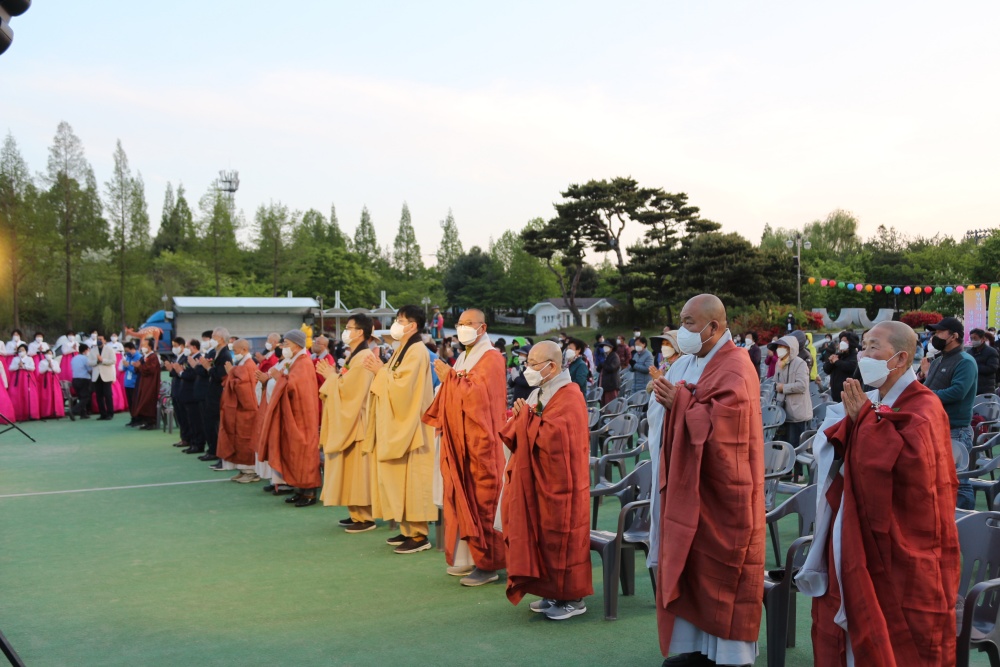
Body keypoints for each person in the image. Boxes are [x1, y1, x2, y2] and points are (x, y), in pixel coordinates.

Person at [796, 321, 960, 665]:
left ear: (900, 358)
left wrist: (866, 424)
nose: (863, 355)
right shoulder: (873, 401)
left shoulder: (925, 406)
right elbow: (831, 446)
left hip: (903, 545)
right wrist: (862, 421)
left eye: (873, 348)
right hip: (857, 532)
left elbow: (914, 471)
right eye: (863, 347)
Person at [651, 294, 764, 666]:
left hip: (726, 493)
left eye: (687, 323)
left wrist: (679, 403)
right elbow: (694, 404)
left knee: (722, 571)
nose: (681, 331)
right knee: (695, 567)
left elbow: (726, 427)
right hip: (694, 487)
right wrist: (674, 400)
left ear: (713, 326)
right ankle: (698, 650)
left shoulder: (736, 365)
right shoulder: (693, 361)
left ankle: (732, 657)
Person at [499, 340, 592, 620]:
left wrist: (527, 419)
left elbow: (557, 438)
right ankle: (551, 592)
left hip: (564, 484)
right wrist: (522, 417)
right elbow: (527, 427)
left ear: (552, 366)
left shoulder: (570, 395)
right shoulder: (541, 391)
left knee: (561, 537)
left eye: (533, 364)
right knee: (541, 536)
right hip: (540, 479)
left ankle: (573, 598)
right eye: (527, 363)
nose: (528, 368)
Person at [424, 308, 507, 585]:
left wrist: (450, 378)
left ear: (482, 328)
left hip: (480, 442)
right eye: (459, 324)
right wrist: (449, 380)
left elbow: (479, 399)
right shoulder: (464, 356)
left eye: (468, 324)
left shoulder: (491, 358)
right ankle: (468, 558)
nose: (462, 328)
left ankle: (489, 563)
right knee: (460, 500)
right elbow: (454, 391)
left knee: (482, 502)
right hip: (459, 439)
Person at [361, 305, 437, 554]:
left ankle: (419, 534)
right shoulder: (403, 349)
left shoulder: (417, 351)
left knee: (412, 480)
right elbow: (394, 379)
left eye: (400, 320)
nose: (395, 323)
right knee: (397, 479)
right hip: (397, 423)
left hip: (411, 426)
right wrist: (381, 370)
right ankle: (407, 529)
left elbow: (404, 389)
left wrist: (379, 371)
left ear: (412, 325)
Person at [318, 314, 377, 529]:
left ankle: (365, 517)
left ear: (360, 332)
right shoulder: (356, 354)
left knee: (357, 472)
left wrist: (331, 376)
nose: (346, 331)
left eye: (349, 327)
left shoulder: (364, 357)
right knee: (350, 471)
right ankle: (356, 513)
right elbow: (345, 384)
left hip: (357, 421)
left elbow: (351, 392)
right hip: (351, 420)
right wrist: (334, 377)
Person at [259, 330, 321, 506]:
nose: (283, 347)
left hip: (303, 416)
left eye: (286, 343)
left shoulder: (304, 362)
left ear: (296, 344)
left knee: (304, 453)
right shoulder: (296, 361)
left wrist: (280, 379)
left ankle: (309, 492)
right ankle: (300, 489)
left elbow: (296, 387)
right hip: (295, 413)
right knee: (295, 453)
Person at [920, 316, 978, 510]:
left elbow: (957, 391)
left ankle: (966, 519)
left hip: (956, 430)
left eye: (938, 332)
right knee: (942, 479)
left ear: (953, 336)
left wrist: (926, 395)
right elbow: (926, 388)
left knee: (959, 480)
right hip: (936, 427)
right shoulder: (937, 361)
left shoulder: (965, 362)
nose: (933, 336)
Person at [217, 339, 261, 483]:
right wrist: (232, 374)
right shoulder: (241, 364)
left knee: (246, 440)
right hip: (238, 411)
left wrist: (231, 373)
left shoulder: (249, 365)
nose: (234, 354)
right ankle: (243, 470)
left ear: (243, 349)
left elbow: (245, 388)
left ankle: (251, 472)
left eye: (235, 351)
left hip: (247, 410)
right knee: (238, 440)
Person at [770, 335, 811, 448]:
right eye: (778, 347)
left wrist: (784, 388)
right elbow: (775, 381)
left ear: (790, 349)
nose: (779, 349)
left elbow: (802, 385)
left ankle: (796, 466)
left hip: (796, 414)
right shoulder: (780, 363)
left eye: (782, 347)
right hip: (782, 413)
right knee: (782, 445)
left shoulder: (800, 364)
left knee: (794, 445)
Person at [201, 328, 233, 466]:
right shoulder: (216, 353)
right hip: (212, 392)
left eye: (214, 337)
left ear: (221, 339)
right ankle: (213, 450)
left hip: (219, 394)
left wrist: (208, 367)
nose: (212, 339)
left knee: (217, 425)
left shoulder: (225, 354)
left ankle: (220, 454)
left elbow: (221, 375)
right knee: (210, 423)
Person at [180, 340, 208, 454]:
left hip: (194, 393)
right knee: (191, 420)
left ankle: (198, 444)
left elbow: (193, 374)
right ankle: (193, 443)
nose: (186, 349)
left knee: (197, 421)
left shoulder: (198, 358)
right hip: (188, 393)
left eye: (188, 346)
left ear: (194, 347)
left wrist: (181, 372)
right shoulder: (188, 358)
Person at [128, 337, 161, 430]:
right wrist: (137, 366)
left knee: (148, 401)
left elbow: (150, 369)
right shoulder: (145, 357)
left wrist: (140, 366)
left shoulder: (153, 357)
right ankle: (145, 421)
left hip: (150, 384)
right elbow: (141, 368)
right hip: (143, 382)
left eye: (144, 345)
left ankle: (152, 421)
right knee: (142, 400)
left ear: (150, 346)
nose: (142, 347)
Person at [822, 332, 860, 402]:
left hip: (849, 395)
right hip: (835, 394)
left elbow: (851, 367)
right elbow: (826, 369)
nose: (842, 343)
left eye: (845, 341)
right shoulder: (839, 355)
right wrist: (830, 362)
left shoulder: (855, 356)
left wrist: (837, 362)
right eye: (841, 341)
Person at [88, 333, 116, 420]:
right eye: (98, 339)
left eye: (101, 339)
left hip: (106, 375)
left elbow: (113, 360)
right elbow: (89, 362)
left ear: (104, 340)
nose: (99, 341)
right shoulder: (93, 350)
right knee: (99, 396)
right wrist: (97, 361)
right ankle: (102, 413)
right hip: (97, 376)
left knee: (108, 395)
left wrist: (102, 360)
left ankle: (110, 413)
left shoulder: (109, 349)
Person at [9, 343, 40, 421]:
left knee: (28, 394)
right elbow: (10, 368)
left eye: (22, 350)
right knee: (16, 394)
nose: (21, 352)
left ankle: (30, 413)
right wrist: (18, 366)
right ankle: (18, 414)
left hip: (27, 377)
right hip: (17, 377)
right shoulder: (15, 359)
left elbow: (32, 368)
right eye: (19, 350)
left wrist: (24, 366)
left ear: (26, 351)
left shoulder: (29, 358)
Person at [37, 344, 66, 420]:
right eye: (47, 354)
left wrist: (52, 367)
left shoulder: (55, 362)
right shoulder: (42, 362)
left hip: (54, 378)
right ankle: (46, 412)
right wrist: (47, 367)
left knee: (55, 394)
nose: (48, 355)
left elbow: (58, 370)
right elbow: (40, 371)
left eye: (50, 353)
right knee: (46, 395)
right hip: (45, 379)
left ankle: (57, 411)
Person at [969, 327, 999, 396]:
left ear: (982, 339)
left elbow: (992, 368)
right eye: (971, 338)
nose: (973, 340)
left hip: (986, 389)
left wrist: (974, 367)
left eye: (975, 338)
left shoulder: (991, 351)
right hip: (972, 387)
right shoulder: (969, 351)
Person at [70, 343, 93, 419]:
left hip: (75, 379)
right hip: (84, 379)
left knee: (81, 397)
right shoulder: (85, 358)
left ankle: (83, 413)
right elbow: (89, 370)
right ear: (85, 350)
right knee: (86, 397)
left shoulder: (74, 358)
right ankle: (74, 410)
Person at [599, 340, 620, 406]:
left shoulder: (614, 356)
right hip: (605, 386)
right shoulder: (607, 356)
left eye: (606, 346)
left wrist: (603, 364)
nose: (604, 348)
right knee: (604, 405)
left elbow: (612, 368)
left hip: (611, 385)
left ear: (611, 347)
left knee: (610, 406)